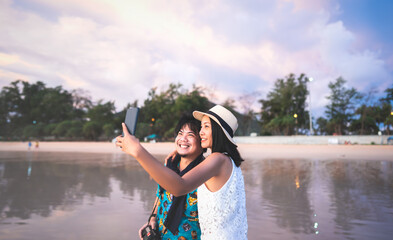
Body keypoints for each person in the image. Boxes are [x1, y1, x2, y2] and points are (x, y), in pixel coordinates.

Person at [116, 105, 248, 239]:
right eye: (201, 127)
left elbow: (180, 186)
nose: (202, 131)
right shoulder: (221, 161)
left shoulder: (218, 160)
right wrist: (153, 218)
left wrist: (137, 150)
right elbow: (160, 195)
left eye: (206, 127)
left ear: (218, 130)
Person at [138, 115, 204, 239]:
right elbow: (160, 195)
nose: (183, 139)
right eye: (180, 133)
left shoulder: (206, 173)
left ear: (202, 141)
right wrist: (152, 219)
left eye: (190, 135)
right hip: (160, 234)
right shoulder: (170, 164)